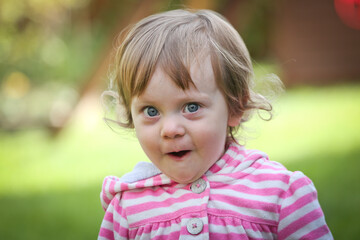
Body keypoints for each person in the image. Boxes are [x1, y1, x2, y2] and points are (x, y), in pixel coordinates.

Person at [98, 9, 332, 240]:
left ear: (235, 107)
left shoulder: (279, 195)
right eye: (151, 111)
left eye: (191, 107)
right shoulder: (128, 206)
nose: (170, 130)